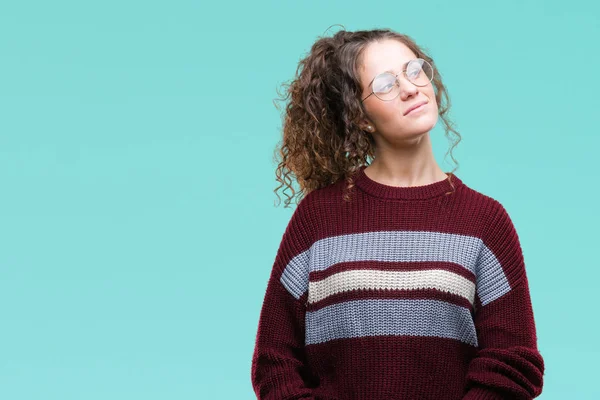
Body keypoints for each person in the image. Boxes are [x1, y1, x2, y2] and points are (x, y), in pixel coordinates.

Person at [250, 26, 544, 400]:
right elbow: (275, 359)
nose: (410, 87)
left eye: (414, 70)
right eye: (386, 84)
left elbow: (513, 362)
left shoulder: (485, 220)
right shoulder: (318, 218)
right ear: (361, 117)